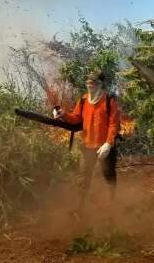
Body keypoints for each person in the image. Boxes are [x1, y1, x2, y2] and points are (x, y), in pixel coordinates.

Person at [55, 70, 120, 213]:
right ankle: (80, 208)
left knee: (109, 175)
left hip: (104, 147)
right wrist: (63, 115)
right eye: (88, 83)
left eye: (93, 83)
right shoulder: (84, 100)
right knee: (83, 178)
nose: (90, 86)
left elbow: (114, 125)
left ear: (101, 85)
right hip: (87, 146)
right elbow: (76, 118)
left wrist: (108, 144)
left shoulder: (109, 101)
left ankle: (112, 205)